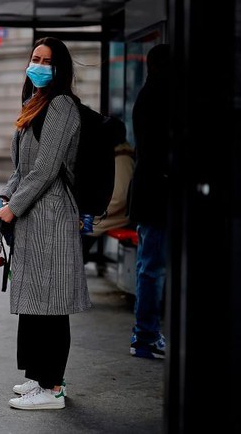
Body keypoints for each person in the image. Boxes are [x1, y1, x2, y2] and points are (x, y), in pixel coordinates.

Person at [0, 36, 92, 410]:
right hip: (34, 216)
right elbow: (22, 169)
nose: (38, 65)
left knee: (51, 304)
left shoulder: (61, 107)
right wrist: (2, 198)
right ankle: (38, 378)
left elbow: (46, 170)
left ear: (59, 68)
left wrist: (13, 207)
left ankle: (53, 388)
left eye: (46, 60)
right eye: (35, 58)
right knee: (34, 303)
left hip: (53, 217)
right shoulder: (35, 105)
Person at [127, 43, 170, 360]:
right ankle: (145, 336)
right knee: (152, 268)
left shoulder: (148, 94)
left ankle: (146, 334)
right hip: (157, 196)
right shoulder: (158, 98)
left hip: (149, 194)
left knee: (150, 266)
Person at [82, 117, 135, 272]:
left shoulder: (122, 159)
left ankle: (77, 262)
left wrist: (93, 209)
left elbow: (119, 198)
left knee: (82, 226)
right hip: (109, 214)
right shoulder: (117, 154)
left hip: (114, 216)